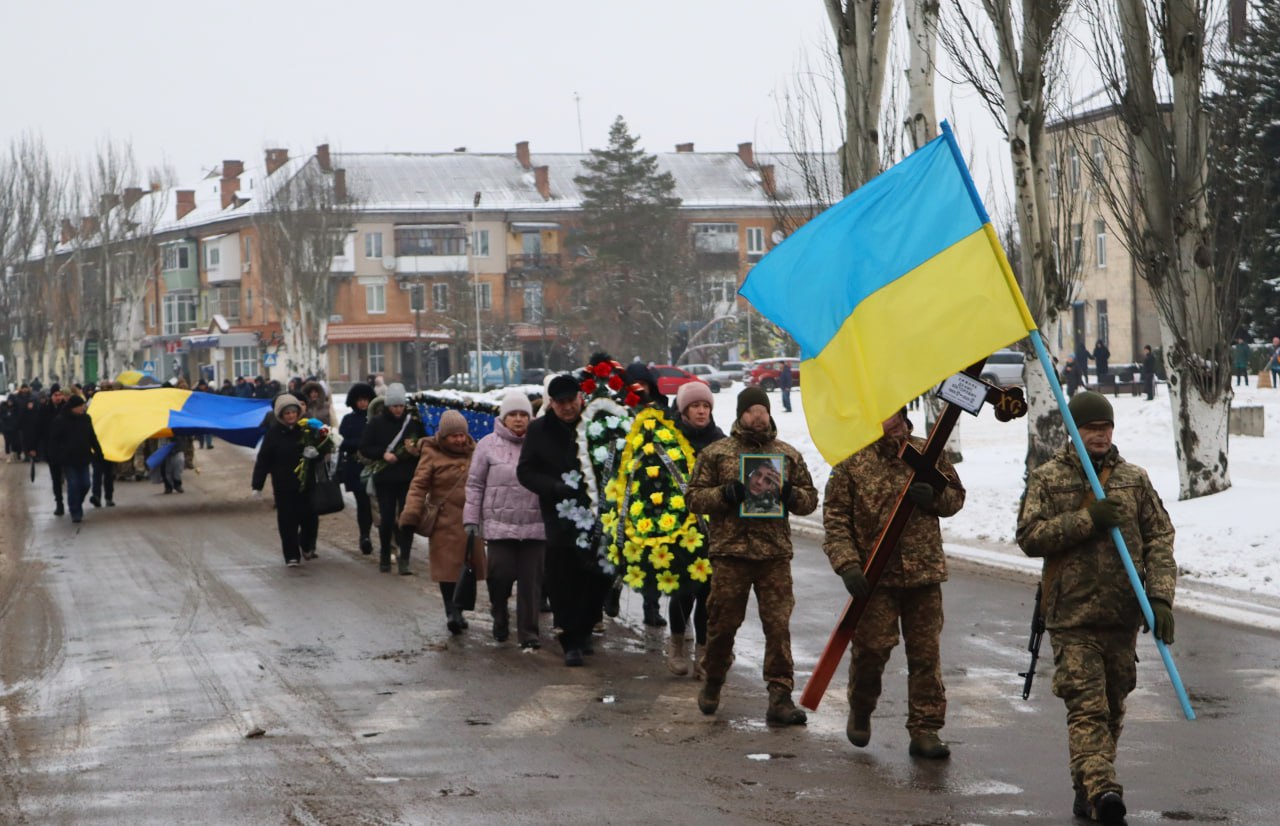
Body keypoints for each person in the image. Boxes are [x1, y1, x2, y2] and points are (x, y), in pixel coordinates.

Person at [1016, 391, 1176, 824]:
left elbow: (1160, 537)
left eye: (1106, 427)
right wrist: (1088, 520)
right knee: (1087, 709)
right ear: (1075, 430)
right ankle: (1105, 792)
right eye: (1091, 428)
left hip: (1122, 616)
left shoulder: (1133, 479)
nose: (1100, 435)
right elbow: (1029, 536)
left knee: (1114, 707)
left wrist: (1160, 596)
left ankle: (1086, 784)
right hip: (1072, 617)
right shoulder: (1049, 478)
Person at [822, 408, 965, 759]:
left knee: (925, 656)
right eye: (884, 412)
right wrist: (848, 565)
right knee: (872, 649)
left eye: (896, 411)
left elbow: (956, 498)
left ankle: (925, 730)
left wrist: (933, 497)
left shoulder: (926, 452)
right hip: (875, 577)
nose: (892, 419)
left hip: (924, 573)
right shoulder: (852, 462)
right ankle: (861, 706)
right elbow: (836, 519)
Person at [687, 386, 818, 726]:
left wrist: (789, 494)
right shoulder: (718, 454)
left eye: (763, 410)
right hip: (731, 554)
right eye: (751, 411)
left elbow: (809, 501)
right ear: (740, 415)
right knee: (723, 625)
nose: (757, 416)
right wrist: (725, 494)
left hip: (774, 556)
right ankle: (713, 679)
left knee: (778, 627)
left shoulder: (786, 456)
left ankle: (780, 696)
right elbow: (694, 499)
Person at [518, 374, 612, 667]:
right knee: (564, 577)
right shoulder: (539, 430)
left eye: (572, 400)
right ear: (552, 403)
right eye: (561, 403)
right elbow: (526, 471)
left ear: (580, 398)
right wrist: (553, 486)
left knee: (599, 574)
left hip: (598, 512)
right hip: (559, 514)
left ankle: (585, 629)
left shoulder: (596, 425)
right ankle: (569, 638)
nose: (568, 407)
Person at [465, 391, 546, 649]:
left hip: (535, 526)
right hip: (499, 526)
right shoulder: (487, 444)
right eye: (513, 414)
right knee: (499, 574)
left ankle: (529, 633)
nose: (519, 419)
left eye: (524, 414)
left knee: (530, 583)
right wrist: (471, 519)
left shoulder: (540, 443)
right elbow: (475, 484)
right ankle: (499, 613)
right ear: (504, 417)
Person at [401, 410, 482, 630]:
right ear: (443, 436)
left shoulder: (476, 452)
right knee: (447, 569)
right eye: (453, 435)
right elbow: (418, 486)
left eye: (462, 435)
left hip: (471, 521)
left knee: (468, 567)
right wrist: (410, 515)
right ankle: (452, 611)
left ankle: (460, 608)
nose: (459, 439)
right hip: (444, 521)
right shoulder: (432, 453)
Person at [668, 381, 724, 677]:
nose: (701, 411)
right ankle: (677, 643)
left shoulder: (720, 441)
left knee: (708, 593)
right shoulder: (669, 441)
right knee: (682, 591)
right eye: (695, 406)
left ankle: (703, 650)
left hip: (712, 529)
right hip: (677, 529)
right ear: (684, 410)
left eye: (705, 406)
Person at [252, 394, 325, 567]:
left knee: (309, 517)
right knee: (287, 521)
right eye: (287, 413)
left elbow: (322, 447)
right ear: (281, 415)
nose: (291, 416)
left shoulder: (306, 430)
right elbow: (263, 460)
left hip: (306, 483)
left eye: (293, 412)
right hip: (283, 485)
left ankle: (307, 545)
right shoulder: (273, 434)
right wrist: (257, 485)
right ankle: (291, 555)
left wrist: (316, 454)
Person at [359, 383, 423, 573]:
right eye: (395, 406)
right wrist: (382, 454)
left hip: (406, 478)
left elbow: (422, 445)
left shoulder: (413, 423)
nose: (398, 410)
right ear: (388, 405)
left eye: (401, 406)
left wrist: (411, 451)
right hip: (385, 478)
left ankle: (405, 558)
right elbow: (365, 447)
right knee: (387, 519)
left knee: (407, 518)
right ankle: (385, 554)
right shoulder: (376, 423)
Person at [47, 395, 102, 524]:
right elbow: (54, 441)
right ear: (73, 408)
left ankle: (77, 502)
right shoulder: (60, 421)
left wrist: (99, 451)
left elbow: (92, 437)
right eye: (81, 406)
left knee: (85, 484)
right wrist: (55, 457)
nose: (83, 408)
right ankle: (75, 511)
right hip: (68, 459)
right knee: (73, 485)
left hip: (83, 458)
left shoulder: (86, 419)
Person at [338, 382, 377, 554]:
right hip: (355, 467)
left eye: (366, 400)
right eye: (360, 400)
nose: (363, 403)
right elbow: (342, 442)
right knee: (363, 504)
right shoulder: (348, 420)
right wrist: (359, 443)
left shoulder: (376, 419)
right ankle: (365, 535)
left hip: (375, 466)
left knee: (377, 504)